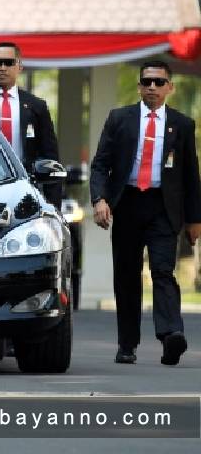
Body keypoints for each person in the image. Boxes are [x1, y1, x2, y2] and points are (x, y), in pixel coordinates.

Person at [90, 60, 199, 367]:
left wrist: (194, 219)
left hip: (164, 207)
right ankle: (127, 344)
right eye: (147, 82)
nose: (152, 87)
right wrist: (100, 199)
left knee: (163, 271)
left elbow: (191, 175)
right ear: (139, 86)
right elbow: (100, 164)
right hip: (126, 204)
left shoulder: (182, 124)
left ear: (170, 87)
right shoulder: (119, 119)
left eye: (159, 82)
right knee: (126, 275)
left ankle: (171, 334)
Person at [0, 42, 60, 205]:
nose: (2, 67)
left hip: (24, 188)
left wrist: (53, 204)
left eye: (8, 63)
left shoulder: (36, 106)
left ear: (19, 67)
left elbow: (50, 157)